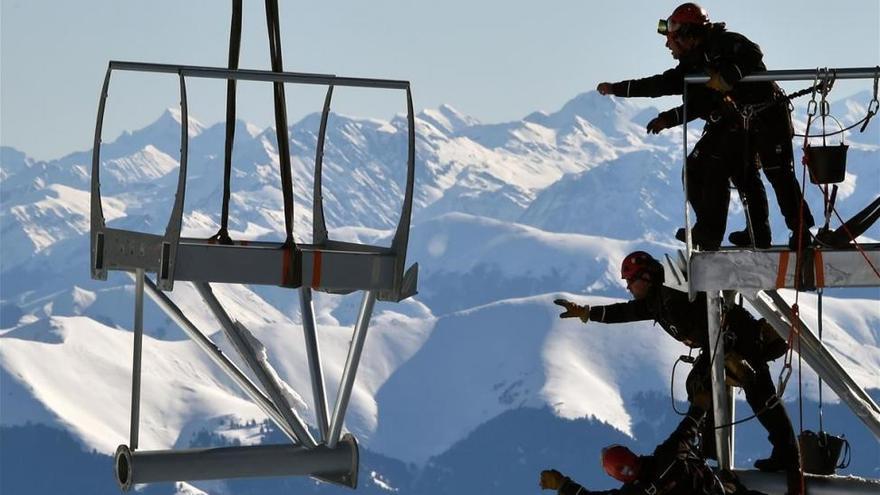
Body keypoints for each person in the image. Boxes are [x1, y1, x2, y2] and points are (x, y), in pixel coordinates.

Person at [553, 251, 803, 494]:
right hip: (722, 344)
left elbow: (710, 306)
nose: (629, 287)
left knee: (756, 394)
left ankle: (786, 456)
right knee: (710, 386)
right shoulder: (657, 301)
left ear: (647, 277)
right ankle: (718, 449)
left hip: (739, 339)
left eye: (630, 281)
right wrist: (588, 313)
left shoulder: (673, 292)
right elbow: (625, 312)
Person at [595, 3, 814, 250]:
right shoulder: (693, 64)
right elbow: (664, 86)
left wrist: (728, 76)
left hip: (767, 115)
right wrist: (619, 90)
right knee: (731, 172)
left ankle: (800, 232)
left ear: (686, 35)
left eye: (671, 39)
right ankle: (738, 233)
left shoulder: (723, 43)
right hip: (740, 122)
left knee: (778, 174)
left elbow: (753, 55)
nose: (668, 45)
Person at [538, 408, 766, 494]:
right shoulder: (667, 457)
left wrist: (562, 484)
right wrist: (699, 407)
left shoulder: (633, 494)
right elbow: (686, 431)